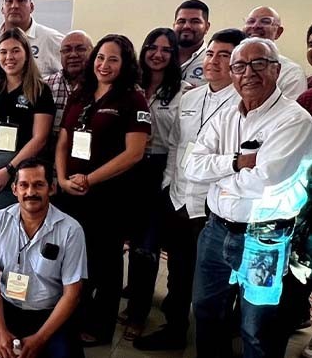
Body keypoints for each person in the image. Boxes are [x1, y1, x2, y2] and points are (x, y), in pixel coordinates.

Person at [185, 37, 312, 357]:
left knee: (258, 327)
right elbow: (192, 165)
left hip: (264, 238)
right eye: (239, 66)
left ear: (276, 69)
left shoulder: (295, 119)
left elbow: (268, 180)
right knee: (205, 312)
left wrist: (219, 181)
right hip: (215, 230)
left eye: (259, 64)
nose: (248, 73)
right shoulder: (227, 115)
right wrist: (236, 163)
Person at [133, 28, 246, 351]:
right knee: (178, 273)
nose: (214, 61)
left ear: (238, 63)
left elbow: (236, 161)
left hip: (215, 205)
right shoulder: (191, 96)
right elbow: (174, 145)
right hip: (179, 197)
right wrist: (169, 186)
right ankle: (174, 328)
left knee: (215, 283)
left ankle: (215, 342)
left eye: (225, 55)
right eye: (211, 54)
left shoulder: (243, 103)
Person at [54, 34, 150, 345]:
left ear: (125, 65)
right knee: (73, 258)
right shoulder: (81, 93)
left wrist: (90, 180)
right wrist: (62, 178)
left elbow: (134, 152)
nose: (104, 64)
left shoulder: (133, 99)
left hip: (109, 196)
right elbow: (63, 140)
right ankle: (71, 315)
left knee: (105, 262)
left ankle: (100, 327)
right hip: (71, 191)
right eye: (100, 57)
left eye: (113, 59)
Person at [0, 158, 86, 357]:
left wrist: (40, 338)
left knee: (67, 354)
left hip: (48, 310)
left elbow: (72, 294)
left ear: (52, 188)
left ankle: (31, 346)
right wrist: (0, 331)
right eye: (24, 185)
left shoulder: (71, 230)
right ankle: (11, 346)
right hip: (9, 305)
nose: (30, 192)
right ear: (14, 189)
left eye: (39, 185)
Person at [122, 28, 188, 340]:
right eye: (152, 47)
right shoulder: (129, 85)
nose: (157, 54)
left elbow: (178, 143)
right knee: (121, 242)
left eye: (165, 49)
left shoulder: (184, 92)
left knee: (146, 248)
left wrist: (167, 182)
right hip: (124, 167)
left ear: (174, 56)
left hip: (157, 169)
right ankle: (123, 298)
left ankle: (138, 314)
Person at [0, 28, 55, 210]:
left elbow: (40, 138)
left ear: (27, 54)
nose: (9, 57)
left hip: (18, 163)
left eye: (15, 51)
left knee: (12, 220)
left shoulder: (40, 91)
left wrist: (9, 170)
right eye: (3, 52)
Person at [243, 6, 307, 100]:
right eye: (251, 21)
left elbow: (291, 112)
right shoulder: (232, 65)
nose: (255, 26)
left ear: (278, 32)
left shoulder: (291, 73)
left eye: (265, 22)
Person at [44, 31, 93, 150]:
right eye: (66, 50)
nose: (73, 55)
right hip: (49, 155)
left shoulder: (102, 86)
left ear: (93, 52)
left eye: (80, 49)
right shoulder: (45, 86)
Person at [173, 0, 211, 87]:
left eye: (195, 22)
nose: (187, 26)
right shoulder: (161, 56)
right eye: (181, 21)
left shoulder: (213, 61)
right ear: (174, 25)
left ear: (207, 27)